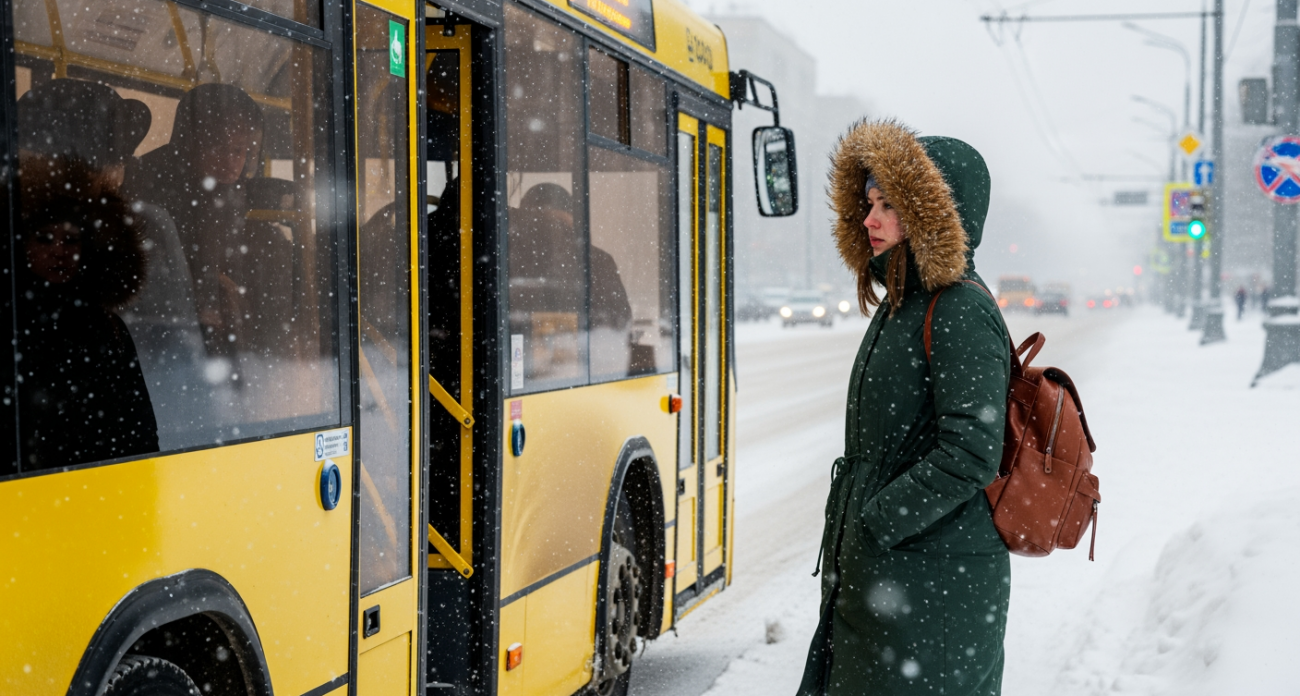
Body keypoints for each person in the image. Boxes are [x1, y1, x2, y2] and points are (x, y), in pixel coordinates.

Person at [798, 121, 1011, 696]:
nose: (870, 219)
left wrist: (879, 522)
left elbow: (972, 451)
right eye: (868, 202)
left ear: (937, 214)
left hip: (929, 583)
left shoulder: (959, 308)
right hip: (894, 578)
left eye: (888, 204)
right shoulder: (904, 301)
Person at [14, 164, 158, 470]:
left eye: (70, 240)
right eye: (44, 238)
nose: (58, 251)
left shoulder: (109, 329)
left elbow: (140, 430)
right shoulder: (12, 325)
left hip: (103, 496)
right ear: (19, 243)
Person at [124, 83, 265, 359]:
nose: (232, 161)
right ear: (191, 141)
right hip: (160, 335)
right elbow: (148, 275)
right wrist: (197, 303)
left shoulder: (232, 192)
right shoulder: (150, 184)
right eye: (220, 147)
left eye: (240, 151)